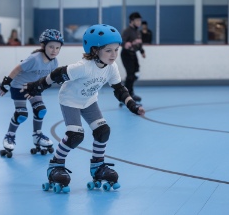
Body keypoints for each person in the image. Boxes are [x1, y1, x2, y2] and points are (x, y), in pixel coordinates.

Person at [21, 24, 146, 193]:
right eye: (108, 50)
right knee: (75, 135)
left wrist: (132, 105)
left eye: (116, 50)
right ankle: (55, 165)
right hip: (70, 100)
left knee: (103, 131)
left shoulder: (112, 67)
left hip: (88, 101)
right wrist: (37, 86)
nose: (114, 55)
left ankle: (98, 167)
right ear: (94, 50)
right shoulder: (83, 67)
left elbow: (119, 89)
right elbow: (57, 74)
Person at [0, 29, 64, 158]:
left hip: (33, 88)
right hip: (19, 87)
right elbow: (18, 68)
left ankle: (37, 135)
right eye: (51, 47)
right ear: (43, 46)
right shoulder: (34, 59)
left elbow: (50, 77)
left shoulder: (54, 62)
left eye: (57, 48)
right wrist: (6, 83)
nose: (54, 50)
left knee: (40, 110)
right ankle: (9, 136)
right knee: (21, 114)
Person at [120, 12, 146, 103]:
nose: (139, 22)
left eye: (140, 20)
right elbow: (121, 42)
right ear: (131, 21)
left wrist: (142, 51)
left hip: (133, 54)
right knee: (130, 75)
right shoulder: (127, 31)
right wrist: (127, 44)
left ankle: (129, 91)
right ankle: (126, 96)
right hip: (126, 54)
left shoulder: (137, 31)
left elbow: (139, 44)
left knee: (136, 74)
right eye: (137, 20)